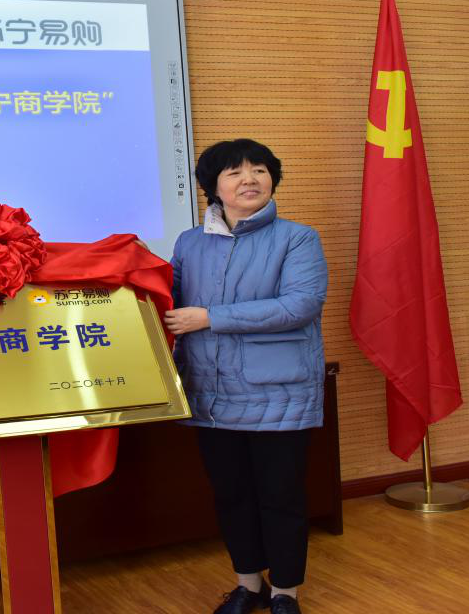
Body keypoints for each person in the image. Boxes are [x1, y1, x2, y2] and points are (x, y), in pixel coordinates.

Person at [164, 138, 327, 614]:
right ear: (212, 186)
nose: (249, 179)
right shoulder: (190, 242)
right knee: (232, 496)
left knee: (281, 497)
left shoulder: (298, 238)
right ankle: (247, 585)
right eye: (234, 172)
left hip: (278, 393)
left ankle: (285, 593)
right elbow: (166, 299)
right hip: (210, 391)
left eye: (259, 169)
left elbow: (299, 306)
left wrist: (210, 318)